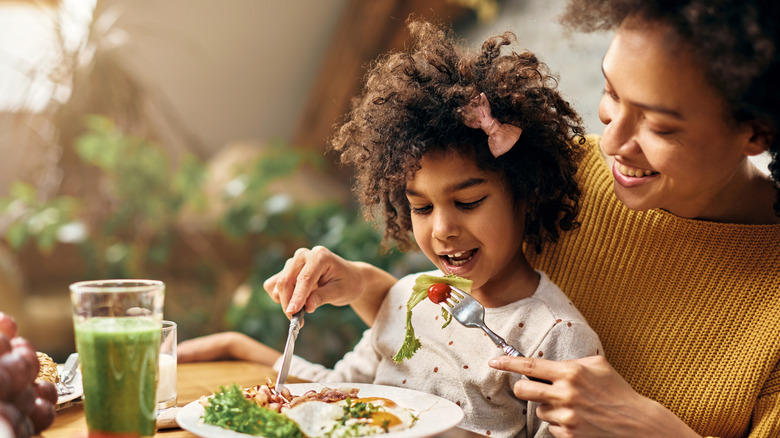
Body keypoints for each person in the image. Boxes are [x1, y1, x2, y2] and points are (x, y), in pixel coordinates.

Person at [261, 0, 780, 437]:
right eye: (612, 95)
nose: (615, 144)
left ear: (757, 132)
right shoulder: (557, 173)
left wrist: (650, 426)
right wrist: (358, 283)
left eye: (661, 127)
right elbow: (454, 319)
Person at [179, 19, 604, 438]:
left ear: (527, 194)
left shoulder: (555, 337)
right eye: (421, 207)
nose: (442, 229)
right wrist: (242, 350)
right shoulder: (410, 299)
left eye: (469, 202)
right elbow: (338, 391)